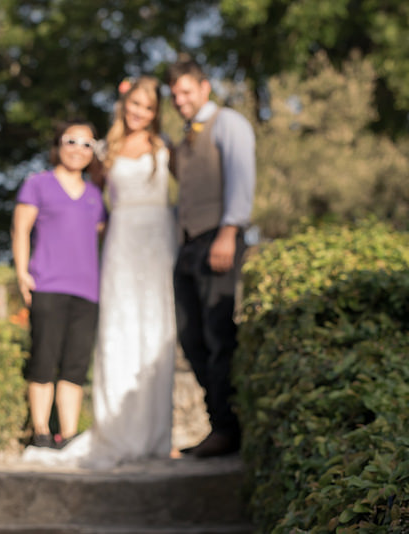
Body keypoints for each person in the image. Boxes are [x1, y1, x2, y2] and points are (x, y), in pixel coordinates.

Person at [22, 76, 177, 468]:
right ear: (124, 105)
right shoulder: (105, 153)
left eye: (147, 106)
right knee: (117, 333)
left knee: (155, 330)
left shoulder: (166, 148)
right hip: (121, 245)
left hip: (157, 242)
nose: (139, 112)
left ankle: (156, 431)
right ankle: (96, 428)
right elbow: (89, 207)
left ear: (156, 112)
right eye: (134, 104)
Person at [167, 56, 256, 458]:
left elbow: (241, 178)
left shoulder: (229, 123)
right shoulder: (186, 137)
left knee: (220, 335)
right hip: (188, 245)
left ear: (204, 87)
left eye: (186, 91)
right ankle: (219, 422)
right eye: (174, 94)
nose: (180, 99)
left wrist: (229, 230)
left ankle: (228, 428)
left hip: (217, 238)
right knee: (191, 335)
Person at [12, 120, 107, 449]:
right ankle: (40, 431)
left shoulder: (96, 195)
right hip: (47, 285)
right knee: (44, 358)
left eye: (86, 143)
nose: (78, 148)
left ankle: (67, 435)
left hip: (88, 291)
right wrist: (22, 273)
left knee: (75, 364)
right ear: (58, 145)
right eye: (71, 140)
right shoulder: (38, 184)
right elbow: (21, 230)